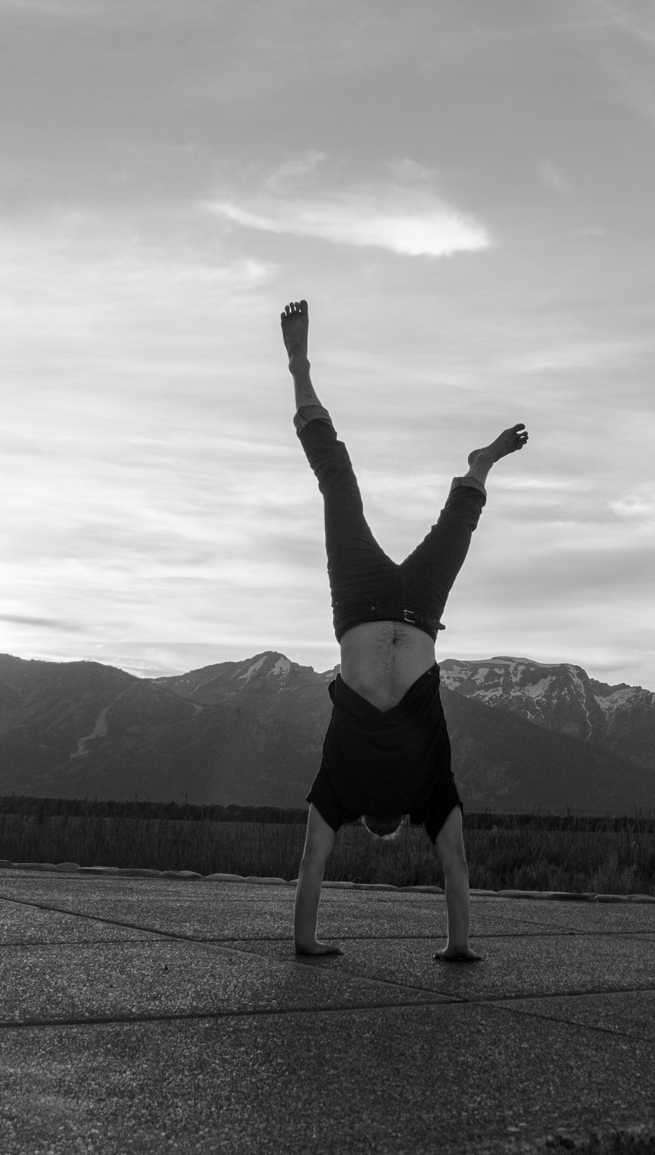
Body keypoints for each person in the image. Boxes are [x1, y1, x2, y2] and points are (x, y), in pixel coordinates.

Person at [281, 300, 527, 963]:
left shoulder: (352, 784)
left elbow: (449, 862)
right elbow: (450, 862)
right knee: (347, 488)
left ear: (378, 819)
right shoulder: (417, 789)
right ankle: (477, 463)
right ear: (375, 820)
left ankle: (302, 367)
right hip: (403, 610)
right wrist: (455, 947)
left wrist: (459, 945)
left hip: (371, 604)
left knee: (353, 491)